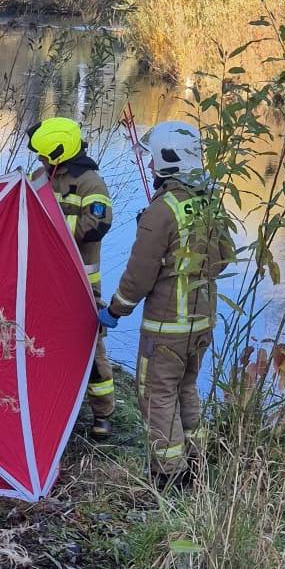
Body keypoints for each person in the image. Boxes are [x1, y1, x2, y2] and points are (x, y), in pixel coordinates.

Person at [98, 120, 234, 489]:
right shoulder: (210, 203)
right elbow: (223, 260)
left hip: (165, 328)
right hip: (202, 323)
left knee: (157, 396)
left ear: (165, 159)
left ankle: (170, 476)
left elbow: (139, 275)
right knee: (186, 388)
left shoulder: (162, 211)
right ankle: (198, 461)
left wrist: (114, 310)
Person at [26, 117, 115, 440]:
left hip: (81, 285)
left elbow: (99, 224)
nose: (38, 159)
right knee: (42, 346)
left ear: (58, 153)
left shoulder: (91, 183)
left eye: (43, 154)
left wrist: (56, 236)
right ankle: (52, 408)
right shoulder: (41, 178)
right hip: (45, 282)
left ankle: (102, 414)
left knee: (92, 352)